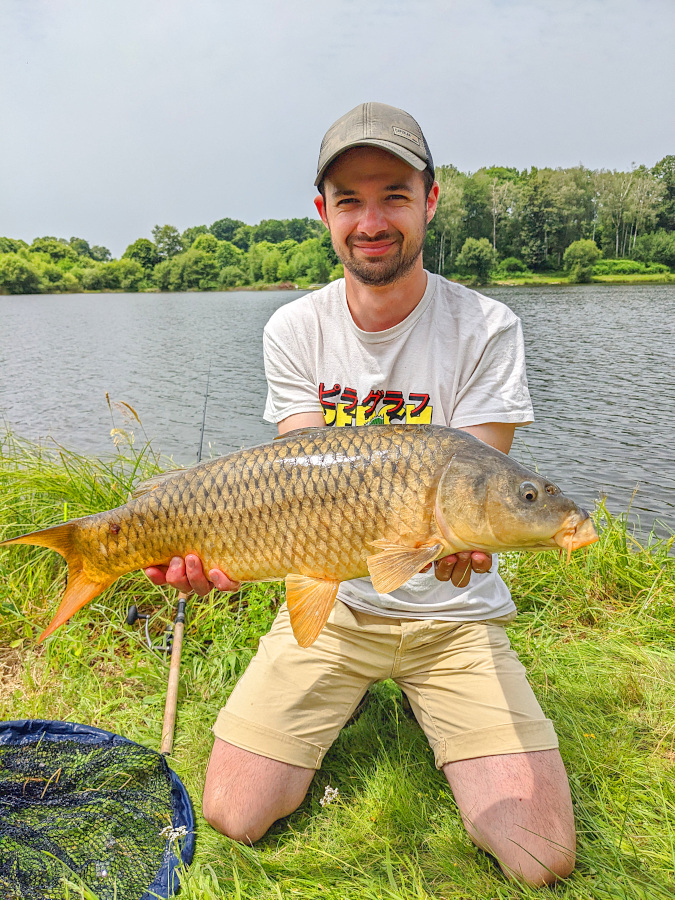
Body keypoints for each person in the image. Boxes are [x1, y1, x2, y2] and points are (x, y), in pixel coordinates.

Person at [145, 102, 575, 886]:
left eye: (393, 196)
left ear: (429, 201)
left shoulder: (486, 326)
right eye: (349, 200)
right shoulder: (293, 328)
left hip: (455, 618)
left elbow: (487, 492)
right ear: (324, 214)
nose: (370, 220)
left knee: (538, 856)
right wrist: (219, 546)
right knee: (233, 813)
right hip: (338, 606)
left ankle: (427, 695)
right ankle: (344, 689)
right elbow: (296, 486)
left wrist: (486, 536)